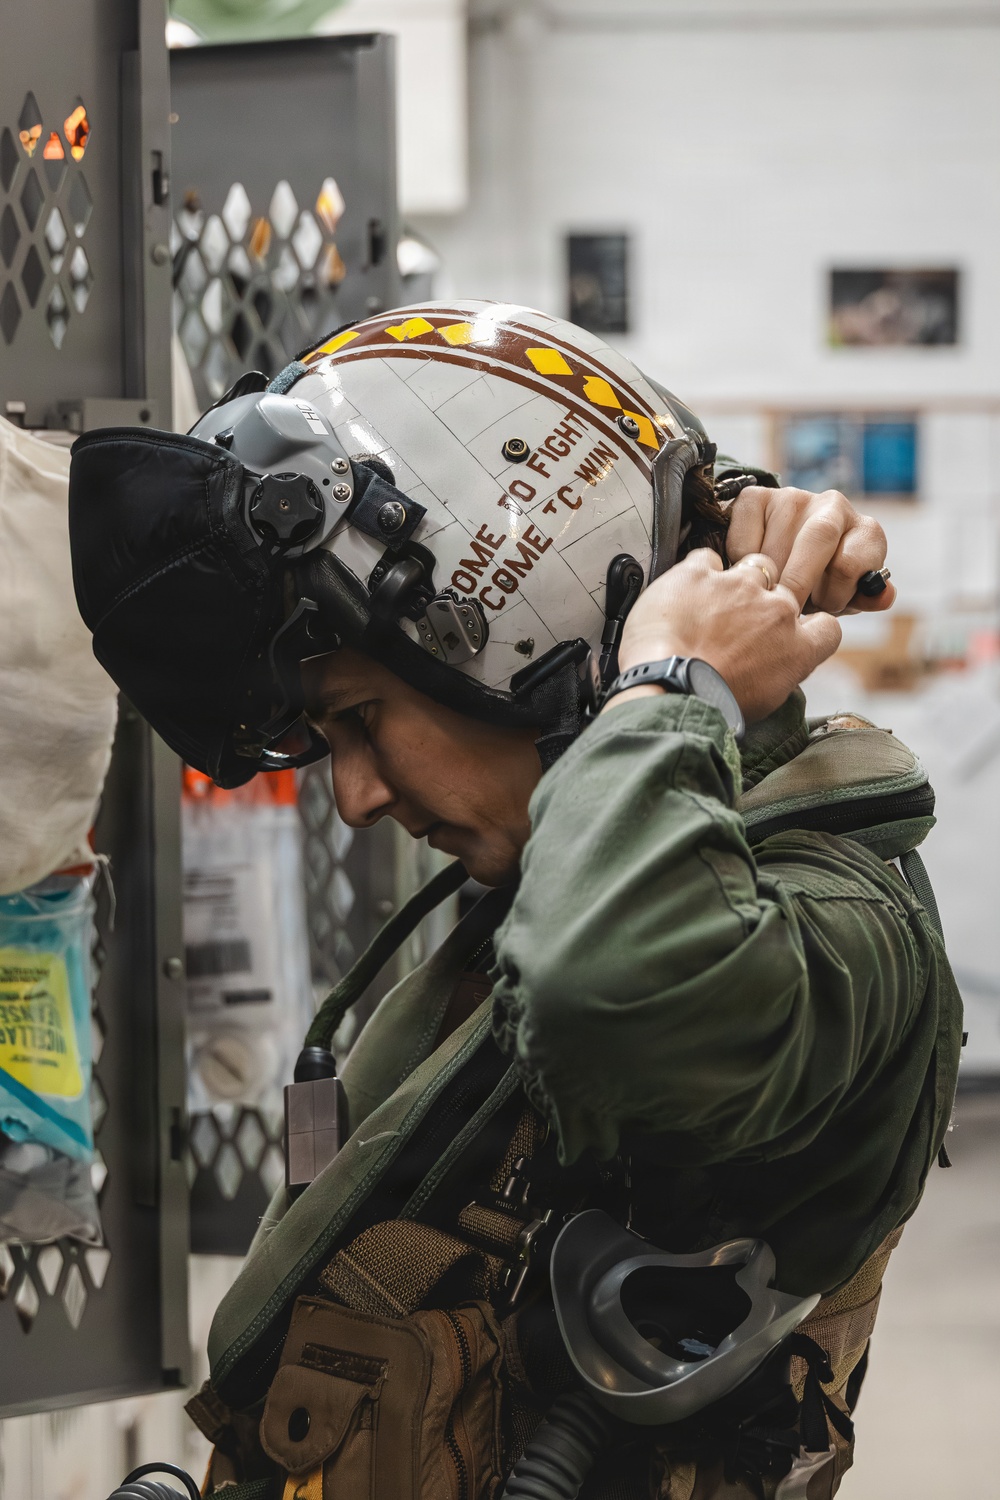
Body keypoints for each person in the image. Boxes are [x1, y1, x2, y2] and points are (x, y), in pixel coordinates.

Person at [68, 301, 960, 1500]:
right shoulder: (596, 854)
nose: (356, 799)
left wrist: (670, 682)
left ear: (540, 636)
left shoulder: (833, 926)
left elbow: (608, 992)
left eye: (360, 719)